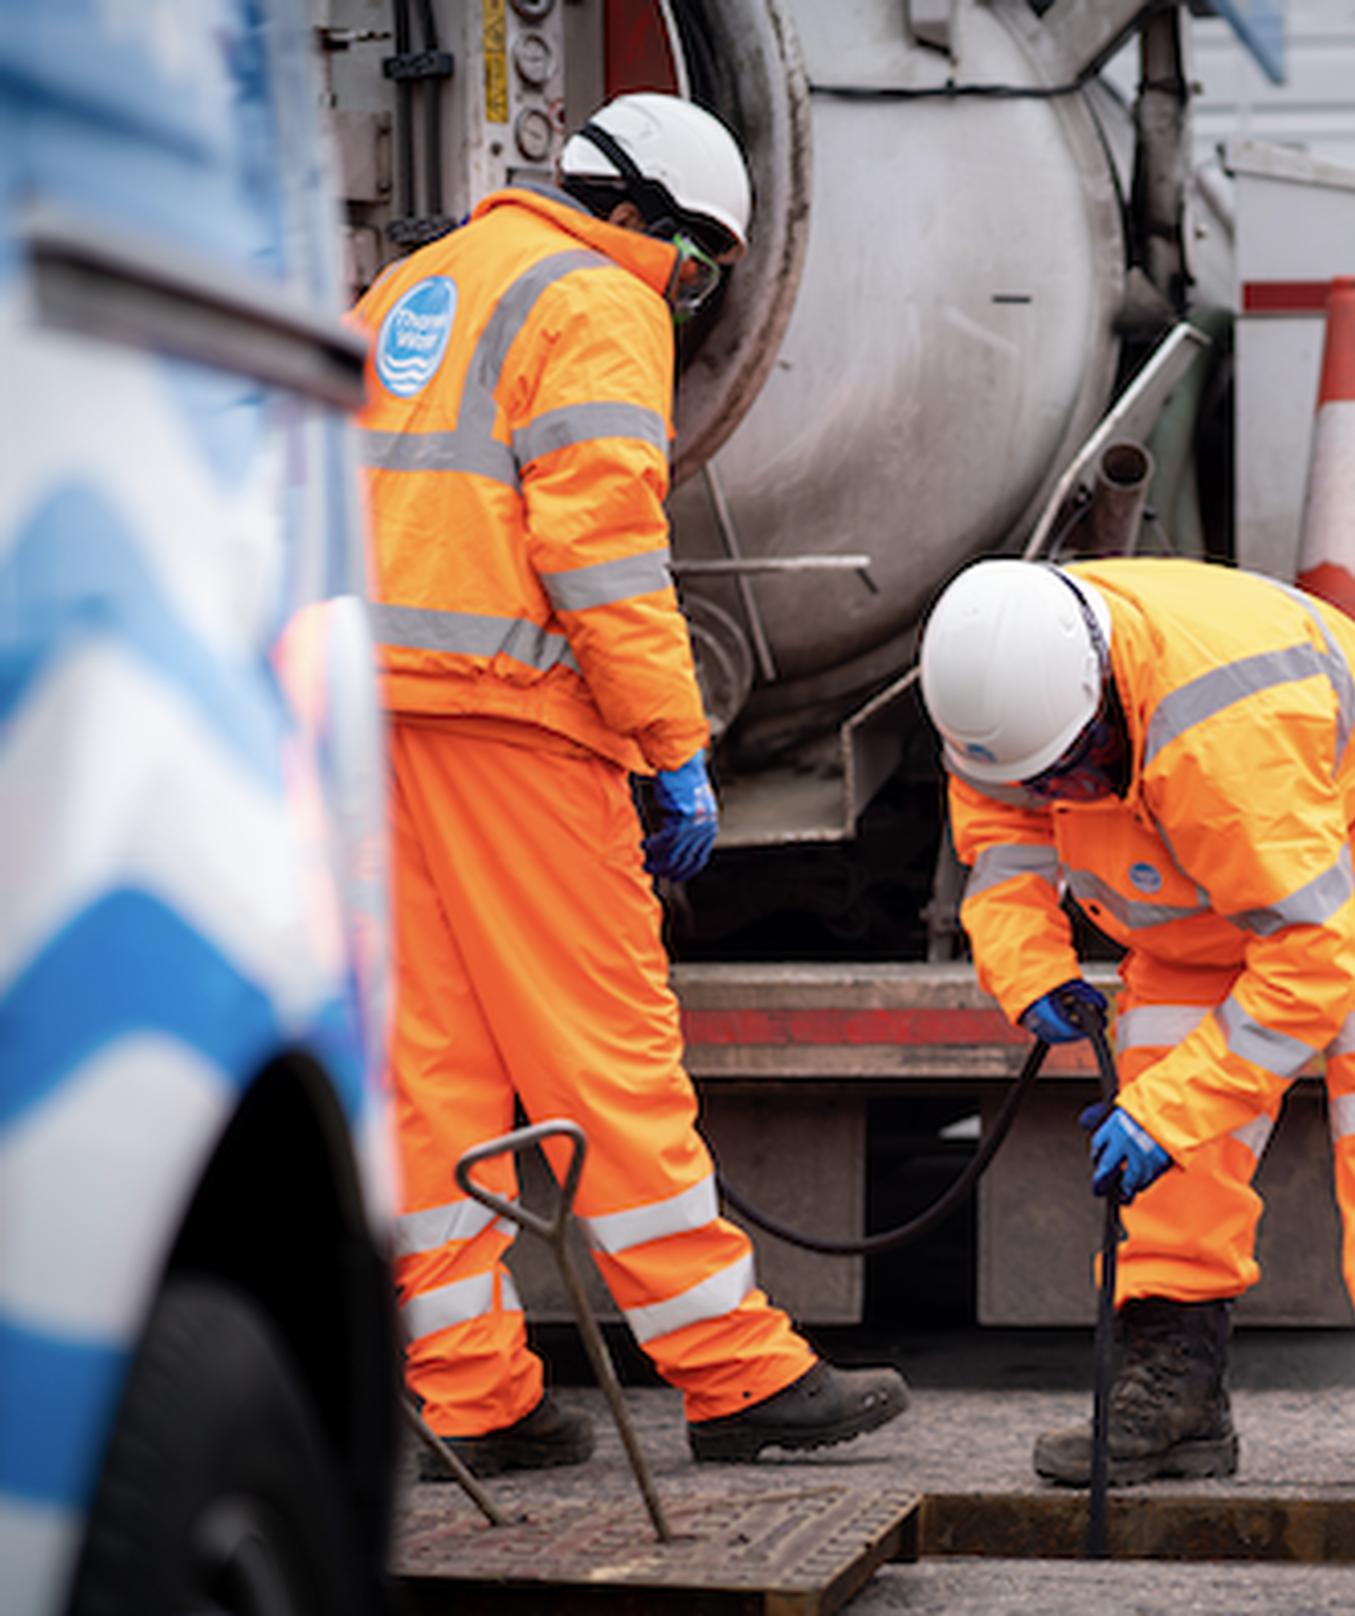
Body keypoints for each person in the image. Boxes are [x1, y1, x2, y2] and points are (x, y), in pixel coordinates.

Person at [355, 93, 906, 1476]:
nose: (693, 291)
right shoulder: (595, 300)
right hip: (517, 723)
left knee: (432, 1068)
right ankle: (736, 1375)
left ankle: (469, 1393)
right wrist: (671, 746)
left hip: (371, 724)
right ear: (646, 220)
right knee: (605, 1048)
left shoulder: (407, 288)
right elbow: (600, 551)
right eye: (700, 264)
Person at [919, 556, 1355, 1518]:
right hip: (1193, 900)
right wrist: (1031, 968)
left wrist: (1167, 1112)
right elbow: (1006, 841)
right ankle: (1178, 1392)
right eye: (1045, 778)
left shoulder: (1226, 730)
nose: (1063, 789)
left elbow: (1310, 964)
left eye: (1075, 767)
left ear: (1104, 693)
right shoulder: (1004, 707)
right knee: (1167, 1129)